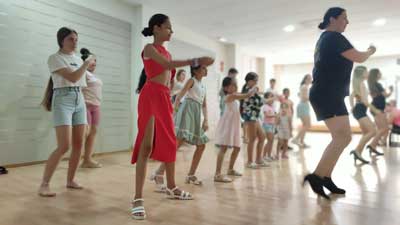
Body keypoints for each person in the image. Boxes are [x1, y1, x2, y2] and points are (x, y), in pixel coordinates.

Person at [131, 14, 214, 220]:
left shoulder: (167, 52)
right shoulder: (150, 49)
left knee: (169, 142)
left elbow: (168, 75)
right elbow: (166, 67)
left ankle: (172, 186)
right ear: (156, 28)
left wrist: (171, 101)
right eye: (168, 28)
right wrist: (195, 60)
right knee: (146, 145)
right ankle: (137, 198)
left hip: (163, 97)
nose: (171, 31)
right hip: (150, 95)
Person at [303, 7, 376, 200]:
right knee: (342, 137)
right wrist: (371, 50)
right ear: (332, 19)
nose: (347, 22)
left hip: (329, 94)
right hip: (327, 94)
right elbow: (359, 57)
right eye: (344, 18)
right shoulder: (333, 37)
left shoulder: (325, 39)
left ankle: (325, 176)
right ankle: (317, 177)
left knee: (344, 137)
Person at [38, 27, 96, 197]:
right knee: (64, 146)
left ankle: (70, 180)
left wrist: (84, 65)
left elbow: (81, 82)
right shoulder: (55, 58)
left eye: (76, 39)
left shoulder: (77, 59)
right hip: (63, 100)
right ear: (61, 40)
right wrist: (86, 63)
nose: (75, 42)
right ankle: (44, 184)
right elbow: (72, 77)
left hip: (79, 99)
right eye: (71, 39)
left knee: (79, 144)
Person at [214, 77, 256, 182]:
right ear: (225, 88)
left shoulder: (235, 95)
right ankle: (217, 174)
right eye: (232, 85)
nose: (234, 86)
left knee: (237, 147)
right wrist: (252, 90)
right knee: (223, 148)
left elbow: (242, 94)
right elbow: (245, 95)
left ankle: (230, 169)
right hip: (228, 125)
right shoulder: (229, 96)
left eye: (235, 84)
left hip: (235, 124)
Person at [349, 66, 378, 164]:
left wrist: (352, 106)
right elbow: (365, 101)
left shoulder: (358, 84)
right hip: (360, 110)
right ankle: (357, 151)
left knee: (367, 132)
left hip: (359, 110)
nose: (368, 73)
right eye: (367, 71)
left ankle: (358, 153)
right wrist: (375, 110)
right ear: (362, 74)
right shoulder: (362, 84)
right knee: (373, 131)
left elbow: (351, 96)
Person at [80, 48, 103, 168]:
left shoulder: (93, 76)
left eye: (95, 60)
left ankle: (87, 160)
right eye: (92, 60)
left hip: (96, 106)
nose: (94, 62)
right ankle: (76, 158)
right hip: (86, 105)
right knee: (85, 133)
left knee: (93, 132)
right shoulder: (83, 73)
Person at [240, 72, 267, 168]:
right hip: (250, 116)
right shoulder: (247, 90)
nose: (256, 83)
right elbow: (248, 96)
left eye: (257, 81)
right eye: (255, 81)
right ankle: (249, 161)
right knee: (252, 138)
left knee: (262, 136)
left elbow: (259, 99)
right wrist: (255, 90)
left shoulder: (253, 89)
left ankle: (258, 159)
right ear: (249, 81)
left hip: (255, 116)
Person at [367, 68, 393, 155]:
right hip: (377, 109)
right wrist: (391, 90)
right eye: (379, 73)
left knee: (384, 128)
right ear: (376, 75)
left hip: (376, 108)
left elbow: (380, 97)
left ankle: (374, 146)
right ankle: (372, 144)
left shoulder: (372, 84)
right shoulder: (377, 84)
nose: (381, 74)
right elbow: (386, 95)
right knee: (384, 128)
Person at [293, 74, 312, 148]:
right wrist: (313, 97)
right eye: (310, 78)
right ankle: (296, 139)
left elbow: (300, 96)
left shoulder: (304, 87)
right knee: (307, 125)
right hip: (303, 106)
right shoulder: (304, 87)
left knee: (305, 125)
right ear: (306, 79)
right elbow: (304, 98)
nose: (311, 80)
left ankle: (302, 142)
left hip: (304, 106)